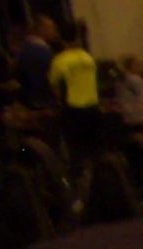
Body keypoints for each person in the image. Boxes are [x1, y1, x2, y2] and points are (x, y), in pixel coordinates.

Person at [45, 21, 97, 163]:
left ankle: (78, 176)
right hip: (93, 107)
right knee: (94, 148)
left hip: (73, 109)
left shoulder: (60, 61)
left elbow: (54, 86)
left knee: (76, 150)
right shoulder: (88, 58)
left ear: (61, 39)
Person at [12, 17, 54, 112]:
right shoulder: (43, 52)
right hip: (43, 101)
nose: (54, 32)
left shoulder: (23, 49)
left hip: (27, 101)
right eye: (52, 28)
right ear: (42, 30)